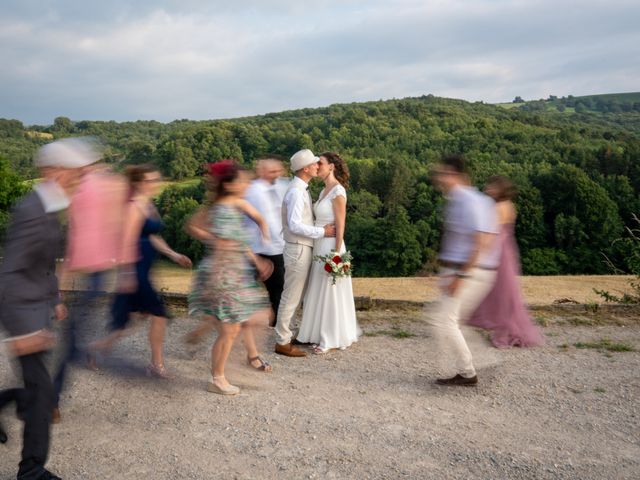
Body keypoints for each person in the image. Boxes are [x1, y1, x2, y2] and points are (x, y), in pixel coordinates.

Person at [0, 139, 92, 480]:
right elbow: (10, 269)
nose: (81, 178)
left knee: (35, 387)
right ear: (54, 171)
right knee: (40, 394)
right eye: (76, 172)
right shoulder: (31, 209)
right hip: (21, 311)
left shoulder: (53, 207)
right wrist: (21, 332)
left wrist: (55, 298)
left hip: (36, 307)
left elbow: (44, 264)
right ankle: (31, 470)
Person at [88, 164, 192, 378]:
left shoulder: (147, 204)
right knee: (159, 314)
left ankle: (96, 348)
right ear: (138, 183)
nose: (155, 183)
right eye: (150, 180)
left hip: (144, 266)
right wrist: (127, 274)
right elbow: (126, 240)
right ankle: (156, 365)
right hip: (135, 268)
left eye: (156, 179)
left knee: (132, 319)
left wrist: (173, 255)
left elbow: (152, 236)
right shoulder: (134, 206)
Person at [52, 145, 128, 423]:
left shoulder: (89, 189)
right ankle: (53, 395)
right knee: (71, 340)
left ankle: (54, 393)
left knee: (72, 337)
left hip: (94, 271)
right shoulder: (96, 188)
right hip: (92, 272)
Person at [188, 160, 273, 395]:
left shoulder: (236, 204)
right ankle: (217, 378)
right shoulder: (217, 209)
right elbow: (193, 226)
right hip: (221, 274)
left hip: (236, 272)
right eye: (242, 180)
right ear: (229, 185)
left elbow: (238, 241)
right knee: (230, 329)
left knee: (250, 319)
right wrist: (213, 240)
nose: (246, 183)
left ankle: (207, 338)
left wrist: (257, 260)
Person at [429, 155, 500, 386]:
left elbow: (481, 241)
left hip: (469, 270)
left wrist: (461, 275)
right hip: (460, 268)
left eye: (442, 173)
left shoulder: (470, 201)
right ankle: (474, 363)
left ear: (455, 175)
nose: (438, 178)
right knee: (449, 320)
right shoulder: (459, 199)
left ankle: (470, 370)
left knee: (443, 320)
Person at [468, 176, 544, 348]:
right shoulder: (509, 205)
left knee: (501, 293)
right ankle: (500, 327)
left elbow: (489, 232)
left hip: (498, 252)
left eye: (492, 187)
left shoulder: (497, 207)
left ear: (500, 189)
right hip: (507, 250)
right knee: (505, 293)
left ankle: (503, 331)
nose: (488, 189)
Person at [296, 152, 360, 353]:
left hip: (331, 244)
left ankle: (329, 338)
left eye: (320, 163)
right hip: (318, 242)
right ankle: (313, 333)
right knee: (318, 289)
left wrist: (336, 254)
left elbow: (341, 225)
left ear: (331, 166)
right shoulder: (324, 190)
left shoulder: (338, 191)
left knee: (330, 289)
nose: (317, 166)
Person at [274, 149, 336, 357]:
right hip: (298, 247)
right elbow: (294, 225)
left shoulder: (301, 189)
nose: (318, 166)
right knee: (291, 295)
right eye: (315, 164)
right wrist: (323, 232)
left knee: (296, 295)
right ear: (306, 168)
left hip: (301, 247)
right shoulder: (296, 191)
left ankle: (287, 334)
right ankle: (282, 341)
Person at [244, 157, 287, 327]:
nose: (276, 174)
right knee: (246, 288)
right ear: (261, 171)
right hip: (255, 247)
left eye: (278, 170)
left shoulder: (283, 186)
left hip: (277, 247)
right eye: (272, 171)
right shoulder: (251, 191)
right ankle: (239, 322)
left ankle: (275, 324)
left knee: (278, 289)